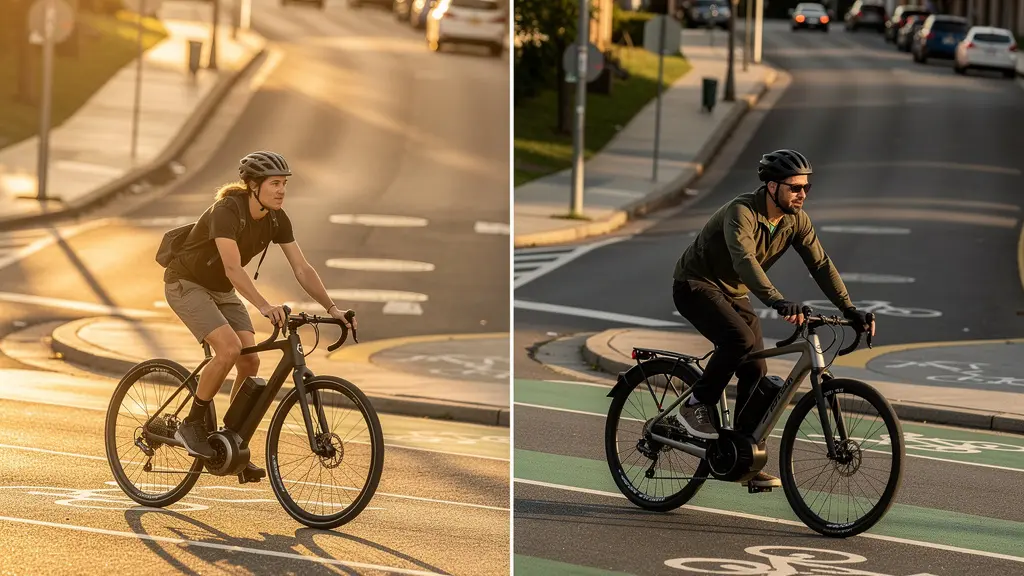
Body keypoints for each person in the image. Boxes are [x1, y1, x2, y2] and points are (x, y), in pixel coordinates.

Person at [670, 149, 873, 489]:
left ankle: (742, 457)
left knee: (755, 368)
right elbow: (745, 261)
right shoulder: (742, 212)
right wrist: (778, 301)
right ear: (772, 187)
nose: (803, 194)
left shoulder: (796, 219)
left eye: (806, 187)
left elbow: (820, 265)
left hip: (733, 292)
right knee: (738, 341)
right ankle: (695, 404)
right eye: (795, 187)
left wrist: (850, 309)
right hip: (695, 284)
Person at [162, 151, 356, 483]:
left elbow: (302, 268)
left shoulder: (277, 218)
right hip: (186, 283)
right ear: (252, 186)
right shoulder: (227, 211)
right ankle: (191, 423)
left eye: (284, 184)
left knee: (249, 363)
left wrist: (332, 309)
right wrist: (265, 305)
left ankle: (230, 442)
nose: (281, 190)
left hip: (222, 290)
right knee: (228, 349)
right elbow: (233, 267)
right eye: (274, 184)